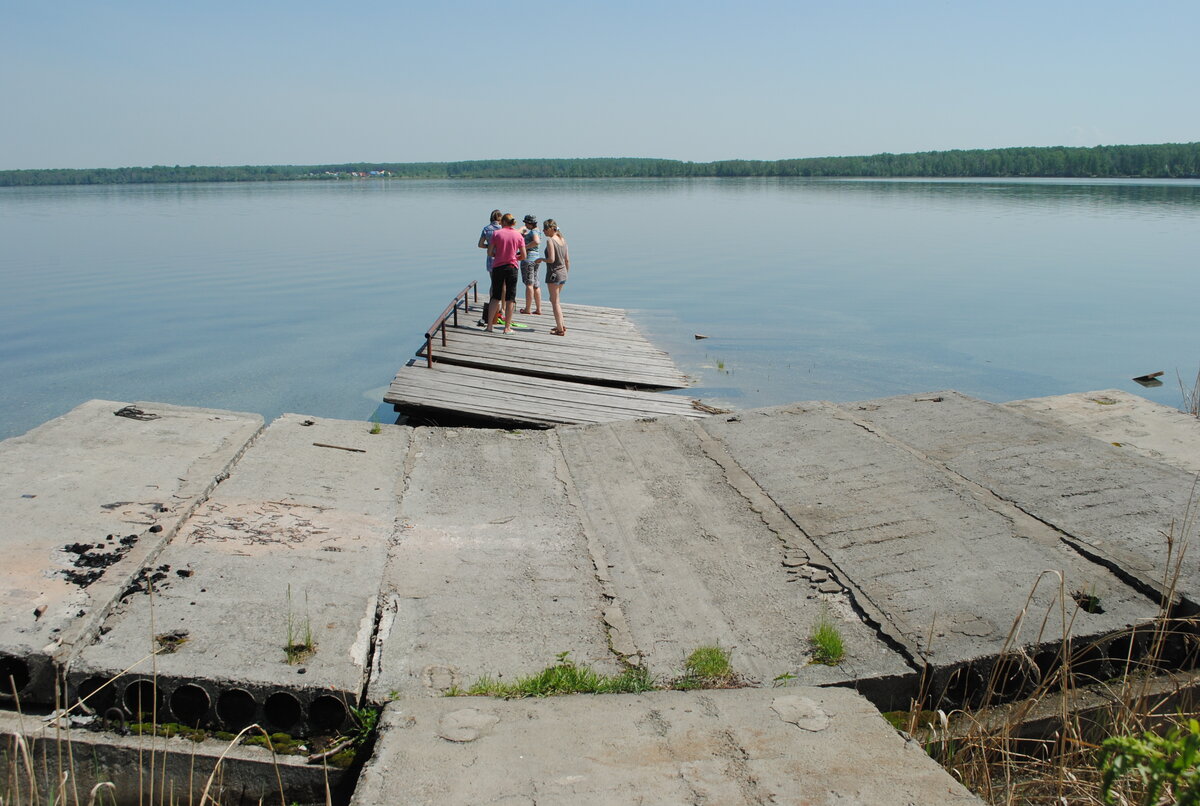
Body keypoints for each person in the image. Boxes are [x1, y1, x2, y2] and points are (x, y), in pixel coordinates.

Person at [486, 213, 526, 334]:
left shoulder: (496, 234)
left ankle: (489, 326)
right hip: (512, 267)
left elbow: (489, 252)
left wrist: (498, 255)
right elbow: (523, 255)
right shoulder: (518, 235)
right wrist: (514, 258)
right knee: (510, 298)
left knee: (495, 297)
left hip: (498, 267)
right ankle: (507, 328)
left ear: (502, 222)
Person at [535, 219, 570, 336]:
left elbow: (551, 259)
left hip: (554, 274)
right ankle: (561, 325)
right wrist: (566, 273)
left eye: (544, 229)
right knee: (554, 300)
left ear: (550, 229)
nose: (543, 231)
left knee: (555, 302)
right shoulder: (563, 240)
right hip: (563, 273)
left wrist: (541, 259)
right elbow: (567, 260)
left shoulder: (550, 241)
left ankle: (560, 330)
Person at [476, 209, 502, 325]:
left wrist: (489, 246)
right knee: (503, 285)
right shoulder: (503, 229)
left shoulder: (486, 229)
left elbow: (480, 244)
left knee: (493, 283)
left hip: (491, 259)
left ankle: (493, 303)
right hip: (502, 258)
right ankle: (501, 307)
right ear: (500, 219)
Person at [518, 214, 542, 315]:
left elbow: (536, 241)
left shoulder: (533, 231)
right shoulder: (537, 230)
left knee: (529, 284)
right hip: (536, 259)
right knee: (536, 284)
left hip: (529, 259)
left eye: (526, 223)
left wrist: (525, 247)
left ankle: (527, 309)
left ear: (530, 223)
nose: (525, 225)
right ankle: (538, 309)